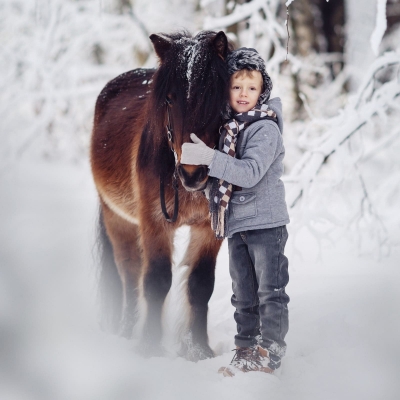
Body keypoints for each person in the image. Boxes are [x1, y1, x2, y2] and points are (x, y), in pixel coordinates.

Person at [180, 48, 290, 376]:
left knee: (269, 291)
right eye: (237, 87)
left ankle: (270, 350)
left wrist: (210, 158)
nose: (244, 94)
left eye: (252, 88)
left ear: (262, 92)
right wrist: (194, 171)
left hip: (266, 224)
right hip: (238, 225)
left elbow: (249, 172)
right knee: (243, 294)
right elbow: (219, 182)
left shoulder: (264, 129)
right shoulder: (228, 130)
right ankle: (245, 351)